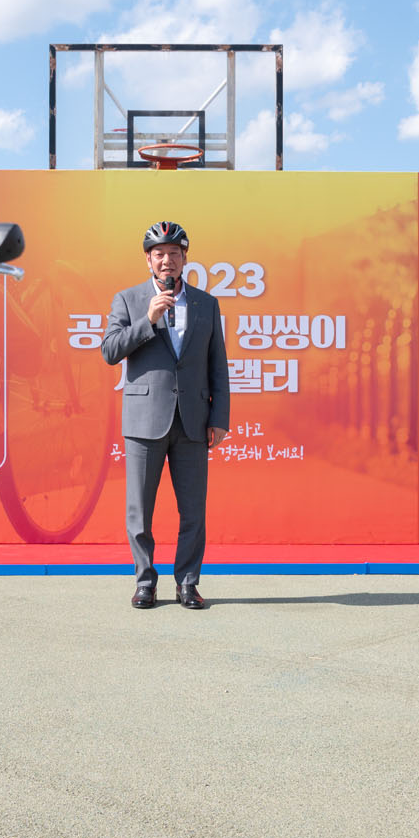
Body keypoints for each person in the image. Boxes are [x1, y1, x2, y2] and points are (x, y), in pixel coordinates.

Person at [101, 221, 230, 610]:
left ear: (185, 258)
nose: (167, 261)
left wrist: (219, 418)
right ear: (148, 260)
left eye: (174, 253)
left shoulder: (206, 304)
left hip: (193, 421)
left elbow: (217, 364)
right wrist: (148, 319)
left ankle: (187, 583)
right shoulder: (129, 300)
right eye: (159, 254)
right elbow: (110, 351)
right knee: (139, 511)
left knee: (193, 511)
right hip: (144, 421)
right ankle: (145, 582)